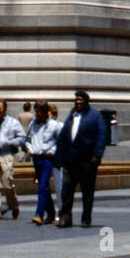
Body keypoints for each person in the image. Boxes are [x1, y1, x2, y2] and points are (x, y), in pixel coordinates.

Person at [55, 90, 107, 227]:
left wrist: (97, 154)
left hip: (87, 161)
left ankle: (86, 218)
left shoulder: (95, 116)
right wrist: (60, 155)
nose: (78, 102)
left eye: (80, 100)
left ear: (86, 101)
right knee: (66, 190)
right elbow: (63, 136)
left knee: (87, 192)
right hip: (70, 160)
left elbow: (102, 136)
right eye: (76, 100)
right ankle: (66, 217)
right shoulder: (72, 115)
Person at [0, 99, 26, 220]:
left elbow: (22, 137)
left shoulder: (13, 122)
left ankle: (14, 205)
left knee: (7, 184)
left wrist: (11, 142)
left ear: (5, 110)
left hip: (6, 154)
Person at [25, 100, 62, 221]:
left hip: (47, 158)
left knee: (43, 186)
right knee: (42, 186)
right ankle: (51, 213)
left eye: (39, 111)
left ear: (46, 112)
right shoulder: (33, 124)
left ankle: (39, 214)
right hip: (36, 158)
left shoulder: (54, 125)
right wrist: (29, 149)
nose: (37, 114)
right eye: (36, 111)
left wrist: (53, 150)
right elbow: (27, 139)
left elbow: (60, 142)